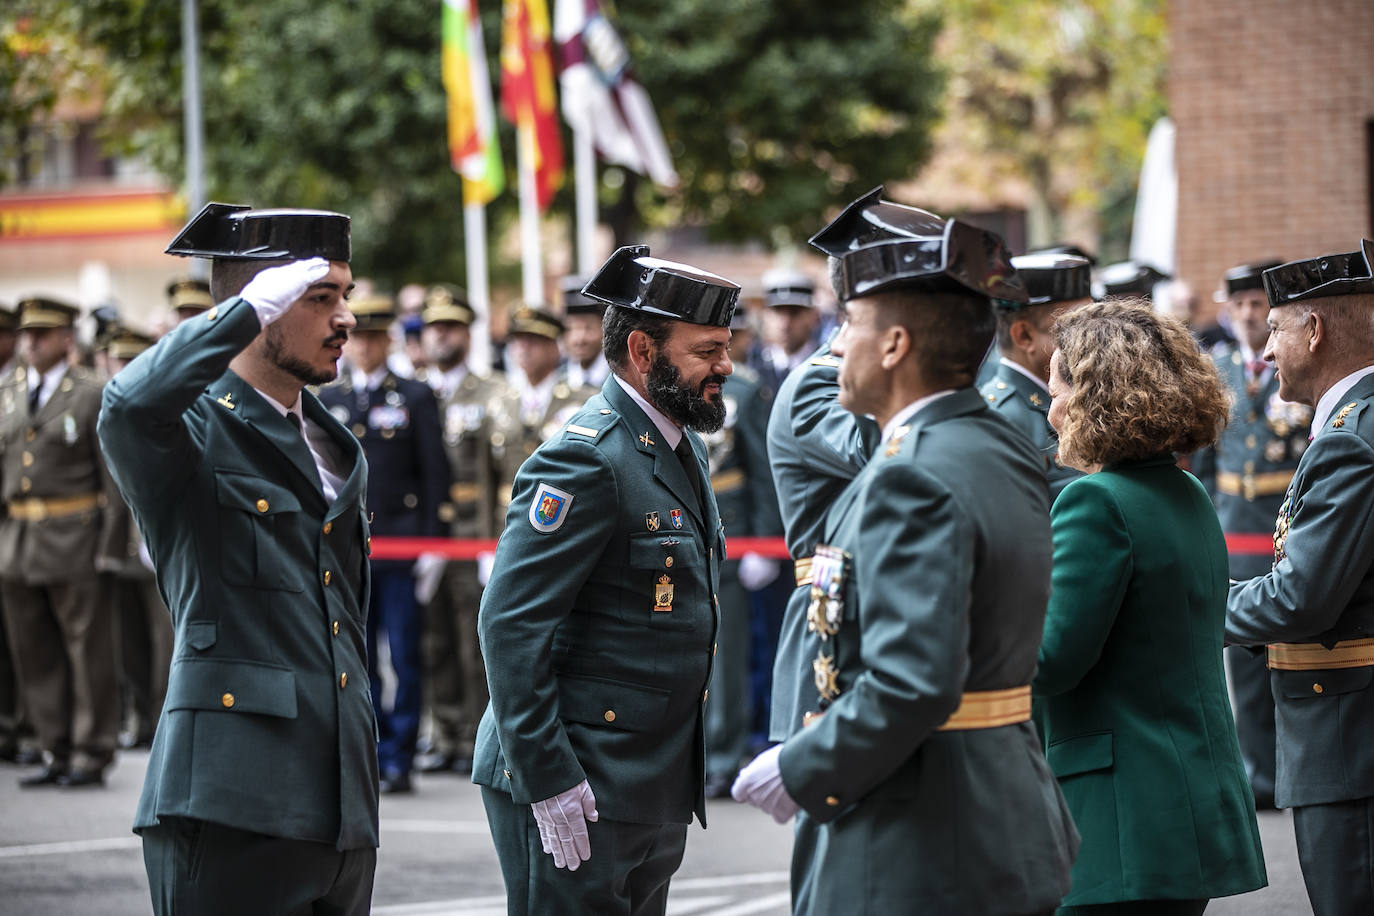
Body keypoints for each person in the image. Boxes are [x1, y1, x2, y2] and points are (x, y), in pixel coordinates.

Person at [732, 187, 1077, 915]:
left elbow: (910, 684)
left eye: (850, 321)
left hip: (922, 826)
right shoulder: (1001, 440)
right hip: (1001, 807)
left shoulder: (910, 474)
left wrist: (802, 767)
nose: (838, 337)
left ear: (894, 344)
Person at [99, 202, 378, 915]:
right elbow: (128, 407)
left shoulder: (334, 446)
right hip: (229, 803)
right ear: (262, 306)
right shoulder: (191, 432)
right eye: (320, 298)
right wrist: (238, 316)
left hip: (338, 812)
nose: (344, 317)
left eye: (344, 294)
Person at [474, 245, 737, 915]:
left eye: (725, 348)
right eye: (707, 351)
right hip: (580, 779)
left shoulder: (676, 444)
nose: (725, 367)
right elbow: (511, 624)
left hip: (647, 778)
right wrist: (548, 779)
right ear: (645, 352)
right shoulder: (586, 459)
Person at [1036, 300, 1267, 913]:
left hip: (1119, 815)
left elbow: (1053, 660)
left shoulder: (1096, 501)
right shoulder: (1185, 488)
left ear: (1096, 396)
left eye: (1058, 390)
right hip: (1183, 799)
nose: (1051, 407)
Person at [1226, 240, 1374, 916]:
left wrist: (1186, 603)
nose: (1263, 351)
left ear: (1313, 330)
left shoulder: (1352, 434)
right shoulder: (1349, 423)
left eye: (1276, 329)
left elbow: (1302, 598)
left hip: (1348, 735)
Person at [319, 293, 449, 795]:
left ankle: (401, 755)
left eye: (374, 337)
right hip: (353, 546)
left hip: (403, 542)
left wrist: (436, 541)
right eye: (358, 337)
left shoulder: (413, 396)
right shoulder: (332, 395)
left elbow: (435, 473)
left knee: (405, 655)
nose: (365, 347)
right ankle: (368, 751)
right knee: (359, 656)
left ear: (388, 340)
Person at [1192, 259, 1307, 812]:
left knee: (1292, 656)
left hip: (1286, 530)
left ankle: (1293, 767)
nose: (1246, 314)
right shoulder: (1219, 371)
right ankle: (1259, 773)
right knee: (1242, 661)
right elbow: (1207, 461)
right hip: (1235, 532)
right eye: (1236, 305)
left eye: (1256, 304)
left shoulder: (1296, 371)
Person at [0, 296, 119, 788]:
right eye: (28, 334)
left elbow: (112, 480)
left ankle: (91, 751)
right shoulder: (8, 391)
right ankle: (53, 745)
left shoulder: (90, 392)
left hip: (76, 538)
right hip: (18, 541)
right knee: (35, 652)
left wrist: (109, 547)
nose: (31, 342)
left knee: (87, 653)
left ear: (66, 338)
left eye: (43, 334)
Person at [414, 283, 513, 776]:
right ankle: (444, 731)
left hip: (475, 533)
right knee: (431, 641)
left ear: (467, 334)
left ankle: (478, 733)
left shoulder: (492, 392)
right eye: (434, 328)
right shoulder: (411, 391)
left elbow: (503, 476)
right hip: (427, 533)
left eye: (451, 327)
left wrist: (497, 539)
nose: (441, 337)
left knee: (476, 638)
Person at [701, 299, 785, 798]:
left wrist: (763, 539)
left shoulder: (747, 390)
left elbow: (763, 472)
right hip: (682, 532)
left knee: (727, 657)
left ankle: (724, 754)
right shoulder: (680, 386)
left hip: (734, 535)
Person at [96, 328, 174, 752]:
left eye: (132, 362)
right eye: (117, 362)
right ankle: (139, 719)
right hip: (121, 546)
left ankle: (162, 722)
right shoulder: (108, 406)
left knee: (166, 645)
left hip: (158, 546)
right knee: (129, 646)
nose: (123, 370)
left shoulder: (165, 405)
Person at [982, 252, 1093, 501]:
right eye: (1075, 331)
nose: (1094, 340)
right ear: (1024, 336)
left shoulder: (1087, 397)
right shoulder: (1000, 421)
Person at [493, 305, 598, 511]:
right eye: (517, 340)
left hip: (558, 514)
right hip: (506, 516)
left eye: (533, 341)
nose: (523, 348)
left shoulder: (584, 400)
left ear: (555, 348)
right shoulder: (500, 401)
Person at [752, 268, 820, 395]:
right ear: (765, 315)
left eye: (795, 312)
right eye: (778, 311)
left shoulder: (825, 366)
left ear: (813, 316)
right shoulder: (752, 365)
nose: (785, 324)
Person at [559, 275, 611, 390]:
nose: (579, 339)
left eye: (588, 328)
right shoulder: (557, 380)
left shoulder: (618, 379)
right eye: (571, 328)